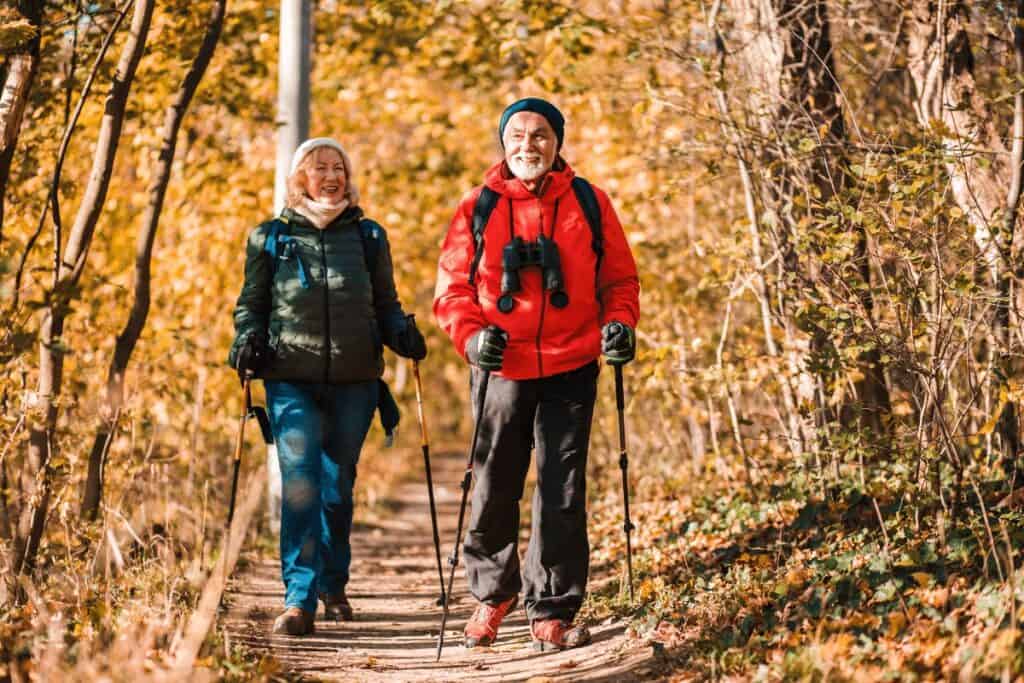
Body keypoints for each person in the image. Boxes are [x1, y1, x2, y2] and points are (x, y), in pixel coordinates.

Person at [433, 98, 640, 651]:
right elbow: (451, 290)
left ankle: (551, 607)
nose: (530, 145)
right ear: (504, 143)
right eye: (519, 135)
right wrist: (473, 337)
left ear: (557, 141)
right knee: (495, 481)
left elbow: (619, 281)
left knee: (561, 489)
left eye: (541, 134)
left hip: (573, 363)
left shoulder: (589, 202)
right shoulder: (476, 206)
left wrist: (618, 325)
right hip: (502, 366)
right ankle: (491, 597)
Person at [229, 137, 427, 636]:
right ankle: (300, 599)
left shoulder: (369, 237)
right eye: (318, 167)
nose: (330, 175)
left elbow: (385, 303)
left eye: (338, 166)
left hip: (355, 381)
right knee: (301, 486)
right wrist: (247, 339)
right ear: (299, 178)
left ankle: (333, 583)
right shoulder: (270, 237)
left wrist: (401, 332)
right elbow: (251, 304)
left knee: (336, 489)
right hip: (289, 379)